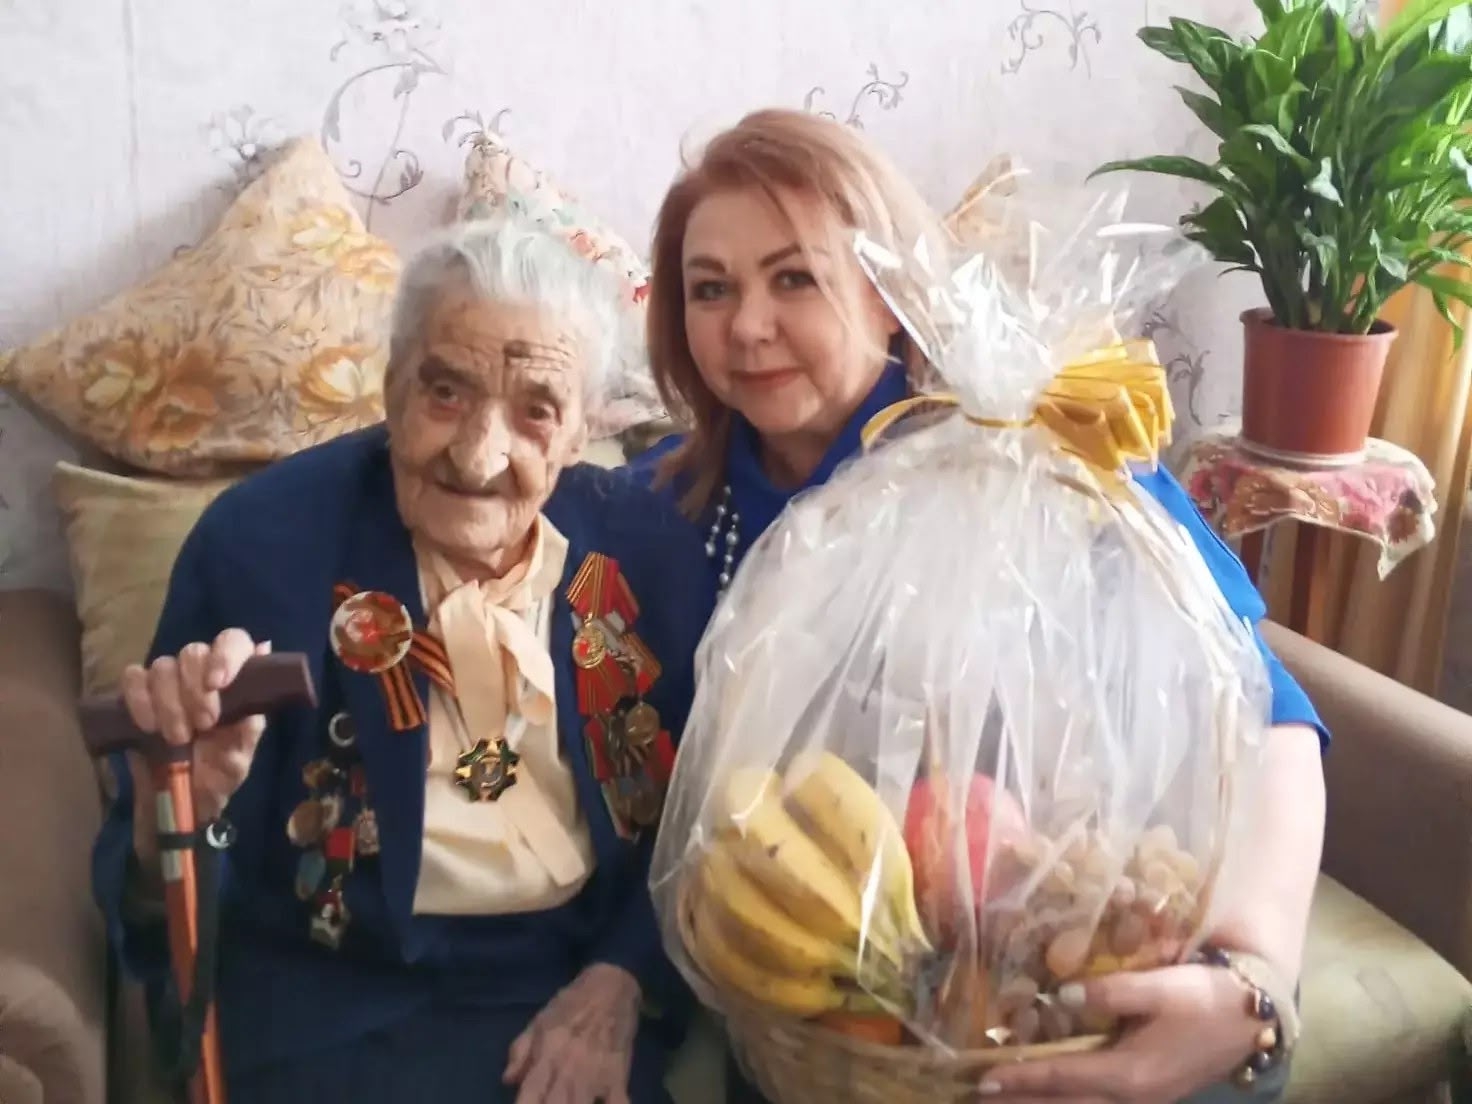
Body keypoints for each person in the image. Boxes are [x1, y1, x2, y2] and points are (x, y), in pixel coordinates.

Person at [626, 108, 1327, 1104]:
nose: (746, 326)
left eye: (795, 278)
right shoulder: (660, 509)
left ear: (888, 295)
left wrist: (1253, 973)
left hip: (1069, 978)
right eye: (710, 288)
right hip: (825, 1022)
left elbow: (1263, 707)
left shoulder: (1034, 444)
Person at [93, 215, 709, 1104]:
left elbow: (696, 824)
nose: (479, 454)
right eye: (446, 392)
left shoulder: (647, 554)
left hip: (563, 991)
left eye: (535, 410)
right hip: (325, 1005)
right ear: (391, 390)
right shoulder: (262, 547)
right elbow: (155, 898)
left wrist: (622, 977)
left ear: (582, 432)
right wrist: (186, 803)